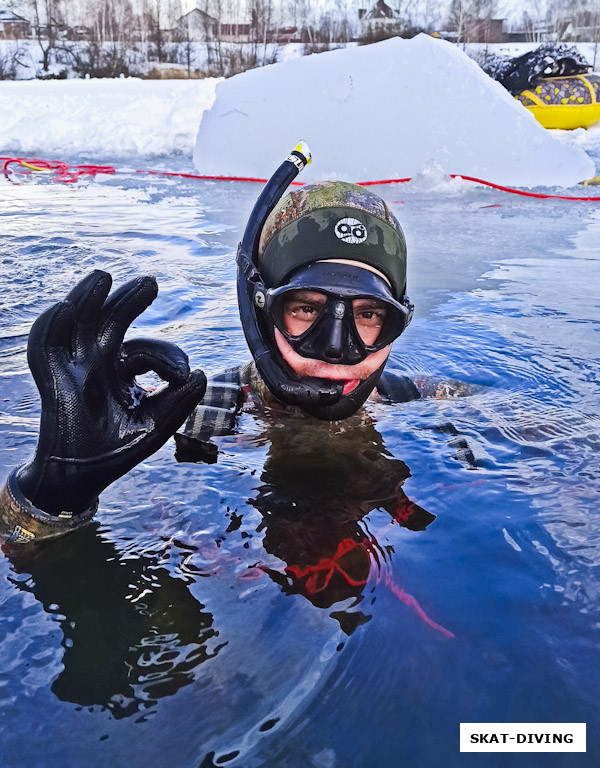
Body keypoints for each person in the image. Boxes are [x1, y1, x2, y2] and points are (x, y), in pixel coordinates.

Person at [0, 143, 469, 547]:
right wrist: (49, 497)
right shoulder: (192, 419)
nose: (334, 349)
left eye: (368, 315)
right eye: (306, 309)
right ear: (260, 314)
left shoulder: (432, 402)